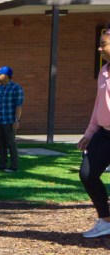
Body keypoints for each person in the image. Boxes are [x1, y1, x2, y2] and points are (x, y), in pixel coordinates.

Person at [76, 28, 110, 239]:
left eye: (103, 43)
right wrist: (89, 133)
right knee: (87, 174)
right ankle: (106, 220)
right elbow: (99, 104)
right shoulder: (104, 71)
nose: (99, 48)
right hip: (105, 133)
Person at [0, 65, 24, 173]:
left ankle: (14, 166)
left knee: (11, 143)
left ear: (7, 75)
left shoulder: (16, 88)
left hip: (9, 121)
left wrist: (17, 120)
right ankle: (2, 165)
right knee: (1, 144)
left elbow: (19, 105)